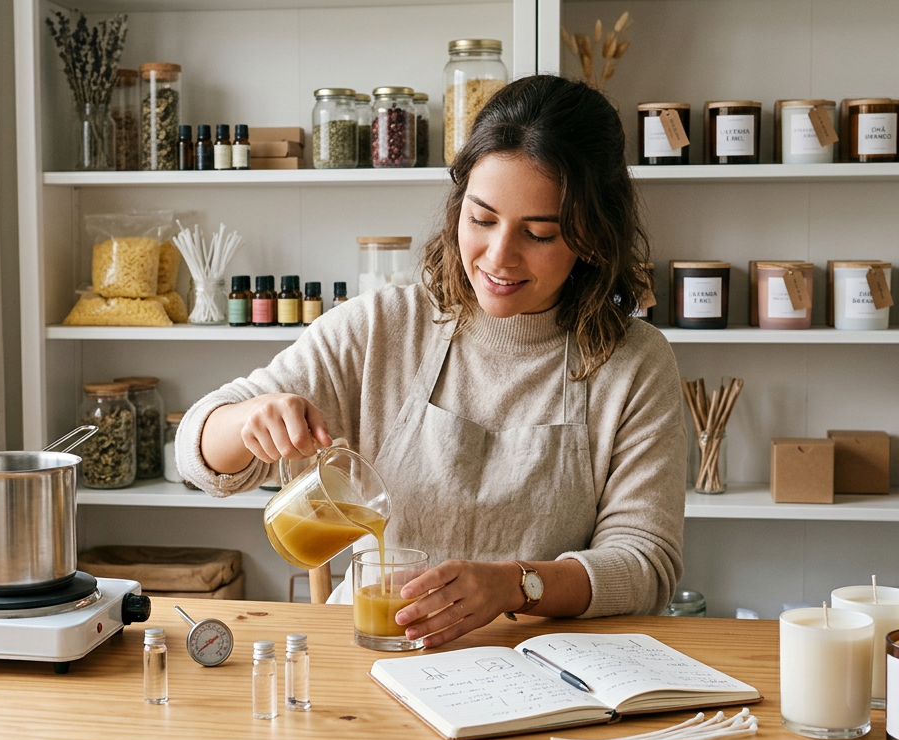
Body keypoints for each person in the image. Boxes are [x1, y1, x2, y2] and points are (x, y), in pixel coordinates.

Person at [176, 75, 685, 649]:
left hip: (540, 668)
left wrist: (513, 585)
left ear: (592, 235)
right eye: (482, 218)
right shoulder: (384, 327)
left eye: (539, 233)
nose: (498, 257)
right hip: (375, 654)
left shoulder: (635, 363)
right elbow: (197, 455)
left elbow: (646, 564)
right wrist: (250, 421)